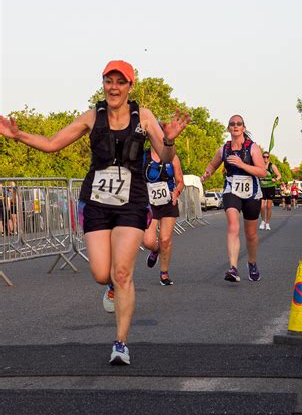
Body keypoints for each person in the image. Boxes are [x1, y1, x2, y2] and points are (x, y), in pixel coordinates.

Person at [0, 60, 190, 366]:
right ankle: (113, 286)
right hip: (97, 201)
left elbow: (167, 156)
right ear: (103, 83)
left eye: (120, 81)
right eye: (108, 80)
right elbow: (52, 144)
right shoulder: (92, 117)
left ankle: (121, 343)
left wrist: (169, 139)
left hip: (132, 202)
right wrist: (18, 135)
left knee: (123, 271)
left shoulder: (144, 117)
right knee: (102, 273)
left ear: (130, 86)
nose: (114, 87)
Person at [201, 114, 266, 282]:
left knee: (251, 234)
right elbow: (213, 164)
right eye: (232, 124)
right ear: (229, 128)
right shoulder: (224, 149)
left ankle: (252, 263)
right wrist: (207, 174)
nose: (235, 126)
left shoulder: (253, 148)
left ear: (243, 128)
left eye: (239, 124)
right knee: (233, 225)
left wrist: (242, 164)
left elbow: (262, 171)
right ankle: (233, 268)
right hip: (232, 189)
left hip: (252, 192)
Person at [143, 146, 184, 286]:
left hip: (168, 202)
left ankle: (164, 273)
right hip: (149, 203)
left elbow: (180, 181)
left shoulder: (172, 157)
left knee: (165, 239)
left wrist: (176, 192)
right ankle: (155, 251)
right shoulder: (142, 156)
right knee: (148, 241)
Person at [259, 151, 281, 231]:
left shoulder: (272, 166)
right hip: (262, 187)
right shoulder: (259, 165)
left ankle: (267, 223)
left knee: (268, 206)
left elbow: (279, 176)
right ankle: (263, 221)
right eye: (264, 157)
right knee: (261, 206)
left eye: (267, 157)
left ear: (269, 158)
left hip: (270, 187)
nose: (265, 158)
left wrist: (275, 179)